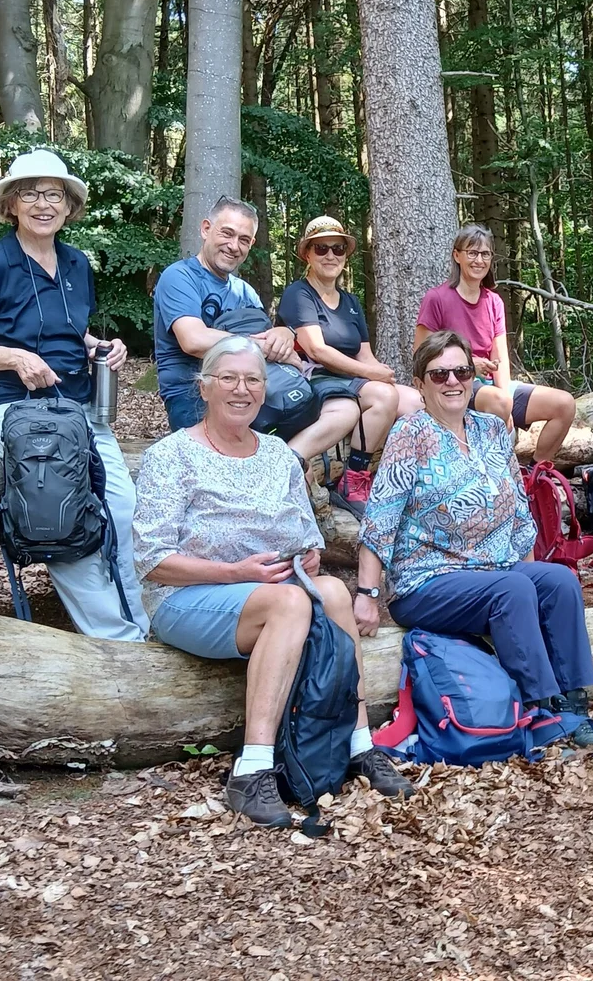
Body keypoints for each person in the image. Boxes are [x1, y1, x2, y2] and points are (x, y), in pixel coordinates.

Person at [132, 337, 413, 826]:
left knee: (331, 593)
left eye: (253, 380)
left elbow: (309, 540)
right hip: (189, 598)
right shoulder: (170, 455)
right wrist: (236, 573)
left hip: (275, 591)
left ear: (265, 389)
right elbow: (153, 562)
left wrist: (308, 557)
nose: (241, 390)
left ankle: (359, 743)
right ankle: (253, 768)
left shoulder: (279, 457)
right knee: (290, 604)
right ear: (204, 387)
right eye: (229, 379)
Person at [354, 330, 593, 745]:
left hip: (495, 569)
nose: (452, 381)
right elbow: (380, 517)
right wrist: (366, 593)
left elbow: (519, 512)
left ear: (473, 378)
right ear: (420, 384)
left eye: (461, 371)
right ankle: (540, 708)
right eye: (439, 374)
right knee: (513, 588)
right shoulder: (410, 435)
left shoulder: (491, 430)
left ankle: (573, 702)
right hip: (426, 581)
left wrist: (532, 576)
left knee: (557, 582)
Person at [0, 148, 147, 641]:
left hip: (77, 409)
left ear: (68, 205)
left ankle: (144, 624)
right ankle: (116, 641)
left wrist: (101, 345)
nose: (43, 204)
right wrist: (15, 358)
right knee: (61, 512)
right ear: (11, 204)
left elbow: (66, 330)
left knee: (124, 508)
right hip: (16, 411)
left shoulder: (77, 263)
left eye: (53, 194)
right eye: (31, 194)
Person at [151, 196, 360, 457]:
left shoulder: (244, 291)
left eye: (244, 239)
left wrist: (283, 333)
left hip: (249, 393)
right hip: (194, 395)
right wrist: (259, 345)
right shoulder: (180, 276)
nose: (233, 245)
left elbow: (270, 341)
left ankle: (288, 465)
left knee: (337, 407)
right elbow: (193, 340)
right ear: (206, 229)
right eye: (227, 233)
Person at [278, 215, 422, 516]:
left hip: (347, 378)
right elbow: (316, 349)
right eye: (321, 249)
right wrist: (372, 376)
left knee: (412, 401)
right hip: (312, 377)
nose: (331, 255)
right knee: (383, 396)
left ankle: (393, 479)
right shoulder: (299, 293)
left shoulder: (351, 301)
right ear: (307, 254)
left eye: (338, 248)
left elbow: (364, 354)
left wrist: (386, 376)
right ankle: (353, 480)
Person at [413, 224, 579, 466]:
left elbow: (500, 358)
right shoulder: (437, 298)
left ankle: (534, 474)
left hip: (491, 388)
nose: (478, 260)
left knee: (564, 404)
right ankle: (494, 474)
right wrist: (467, 367)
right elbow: (421, 354)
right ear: (457, 256)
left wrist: (506, 402)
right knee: (497, 401)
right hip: (454, 384)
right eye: (472, 253)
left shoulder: (494, 302)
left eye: (485, 254)